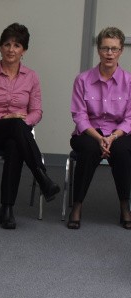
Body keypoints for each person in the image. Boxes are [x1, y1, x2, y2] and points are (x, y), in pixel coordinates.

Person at [0, 23, 62, 230]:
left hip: (18, 133)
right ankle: (41, 176)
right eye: (7, 44)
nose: (11, 49)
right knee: (14, 126)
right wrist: (8, 118)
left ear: (24, 50)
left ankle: (7, 209)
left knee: (15, 144)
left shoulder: (31, 77)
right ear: (0, 47)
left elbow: (37, 112)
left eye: (17, 45)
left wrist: (21, 123)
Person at [67, 26, 131, 230]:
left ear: (121, 50)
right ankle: (77, 205)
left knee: (122, 151)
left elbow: (130, 118)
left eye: (114, 49)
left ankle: (124, 205)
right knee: (89, 149)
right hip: (88, 133)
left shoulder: (129, 81)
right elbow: (79, 116)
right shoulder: (83, 79)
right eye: (105, 48)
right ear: (98, 50)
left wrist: (112, 137)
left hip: (119, 133)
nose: (109, 53)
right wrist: (99, 138)